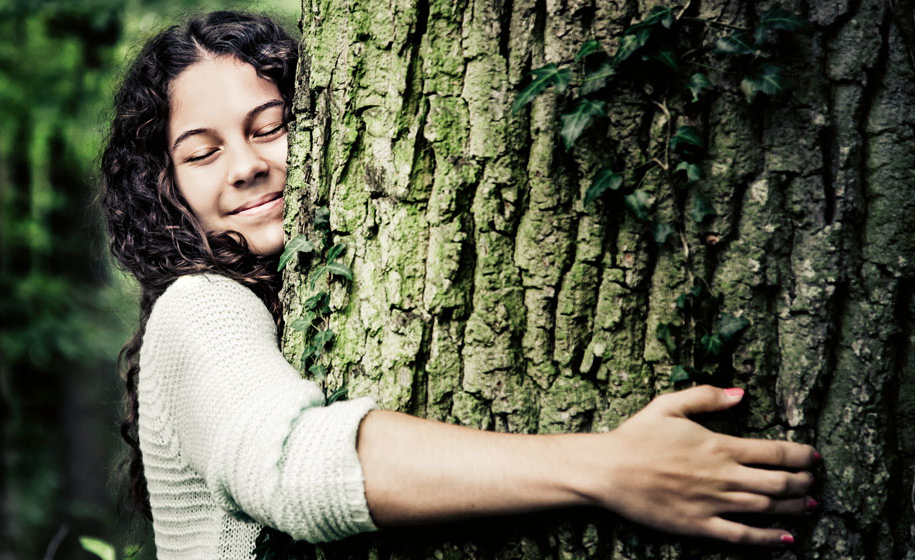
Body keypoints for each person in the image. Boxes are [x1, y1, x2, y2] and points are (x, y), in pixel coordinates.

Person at [99, 10, 819, 559]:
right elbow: (289, 466)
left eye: (272, 125)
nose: (248, 165)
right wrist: (610, 467)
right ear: (164, 188)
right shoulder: (197, 307)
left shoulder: (285, 304)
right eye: (202, 153)